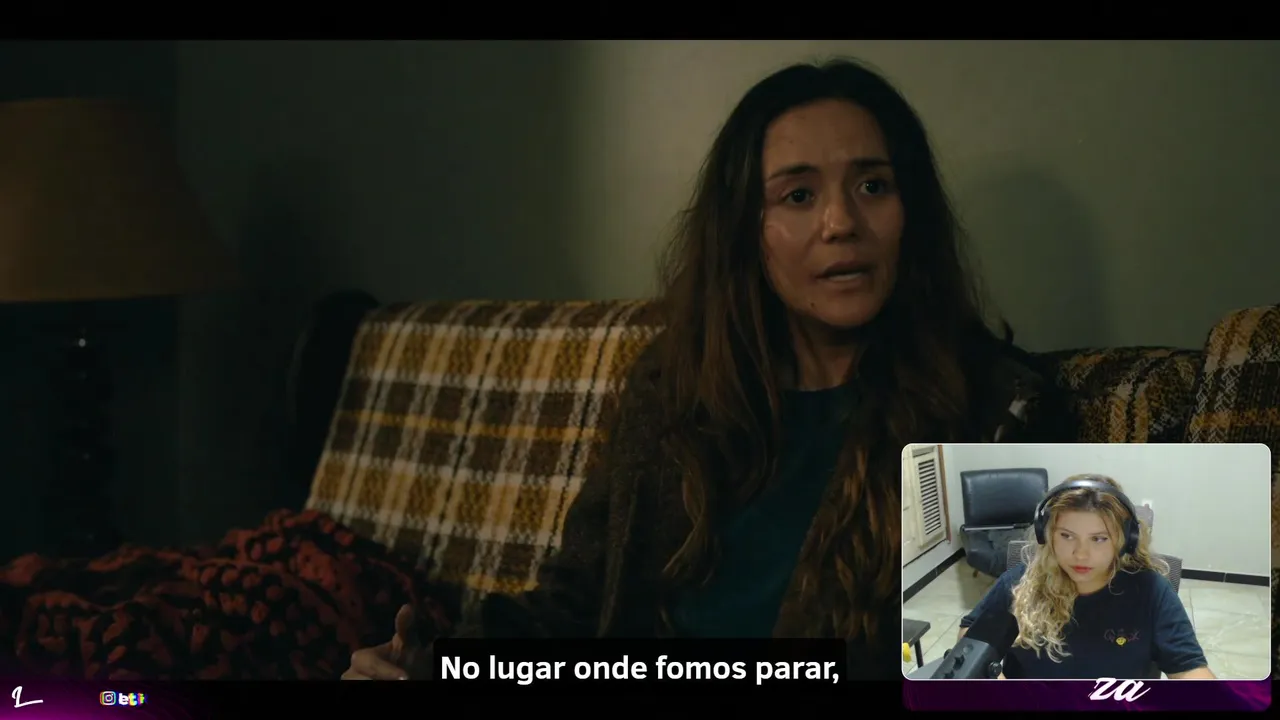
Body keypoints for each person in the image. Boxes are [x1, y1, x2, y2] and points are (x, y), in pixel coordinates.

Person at [343, 57, 1074, 681]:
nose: (841, 223)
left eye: (873, 186)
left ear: (911, 211)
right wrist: (436, 664)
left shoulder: (994, 413)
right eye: (798, 195)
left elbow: (1001, 658)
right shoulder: (673, 395)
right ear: (746, 230)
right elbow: (576, 608)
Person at [957, 475, 1215, 679]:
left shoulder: (1150, 590)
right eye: (1066, 536)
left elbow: (1189, 669)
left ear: (1125, 541)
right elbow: (971, 637)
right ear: (1046, 534)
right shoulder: (1019, 583)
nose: (1080, 554)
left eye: (1098, 539)